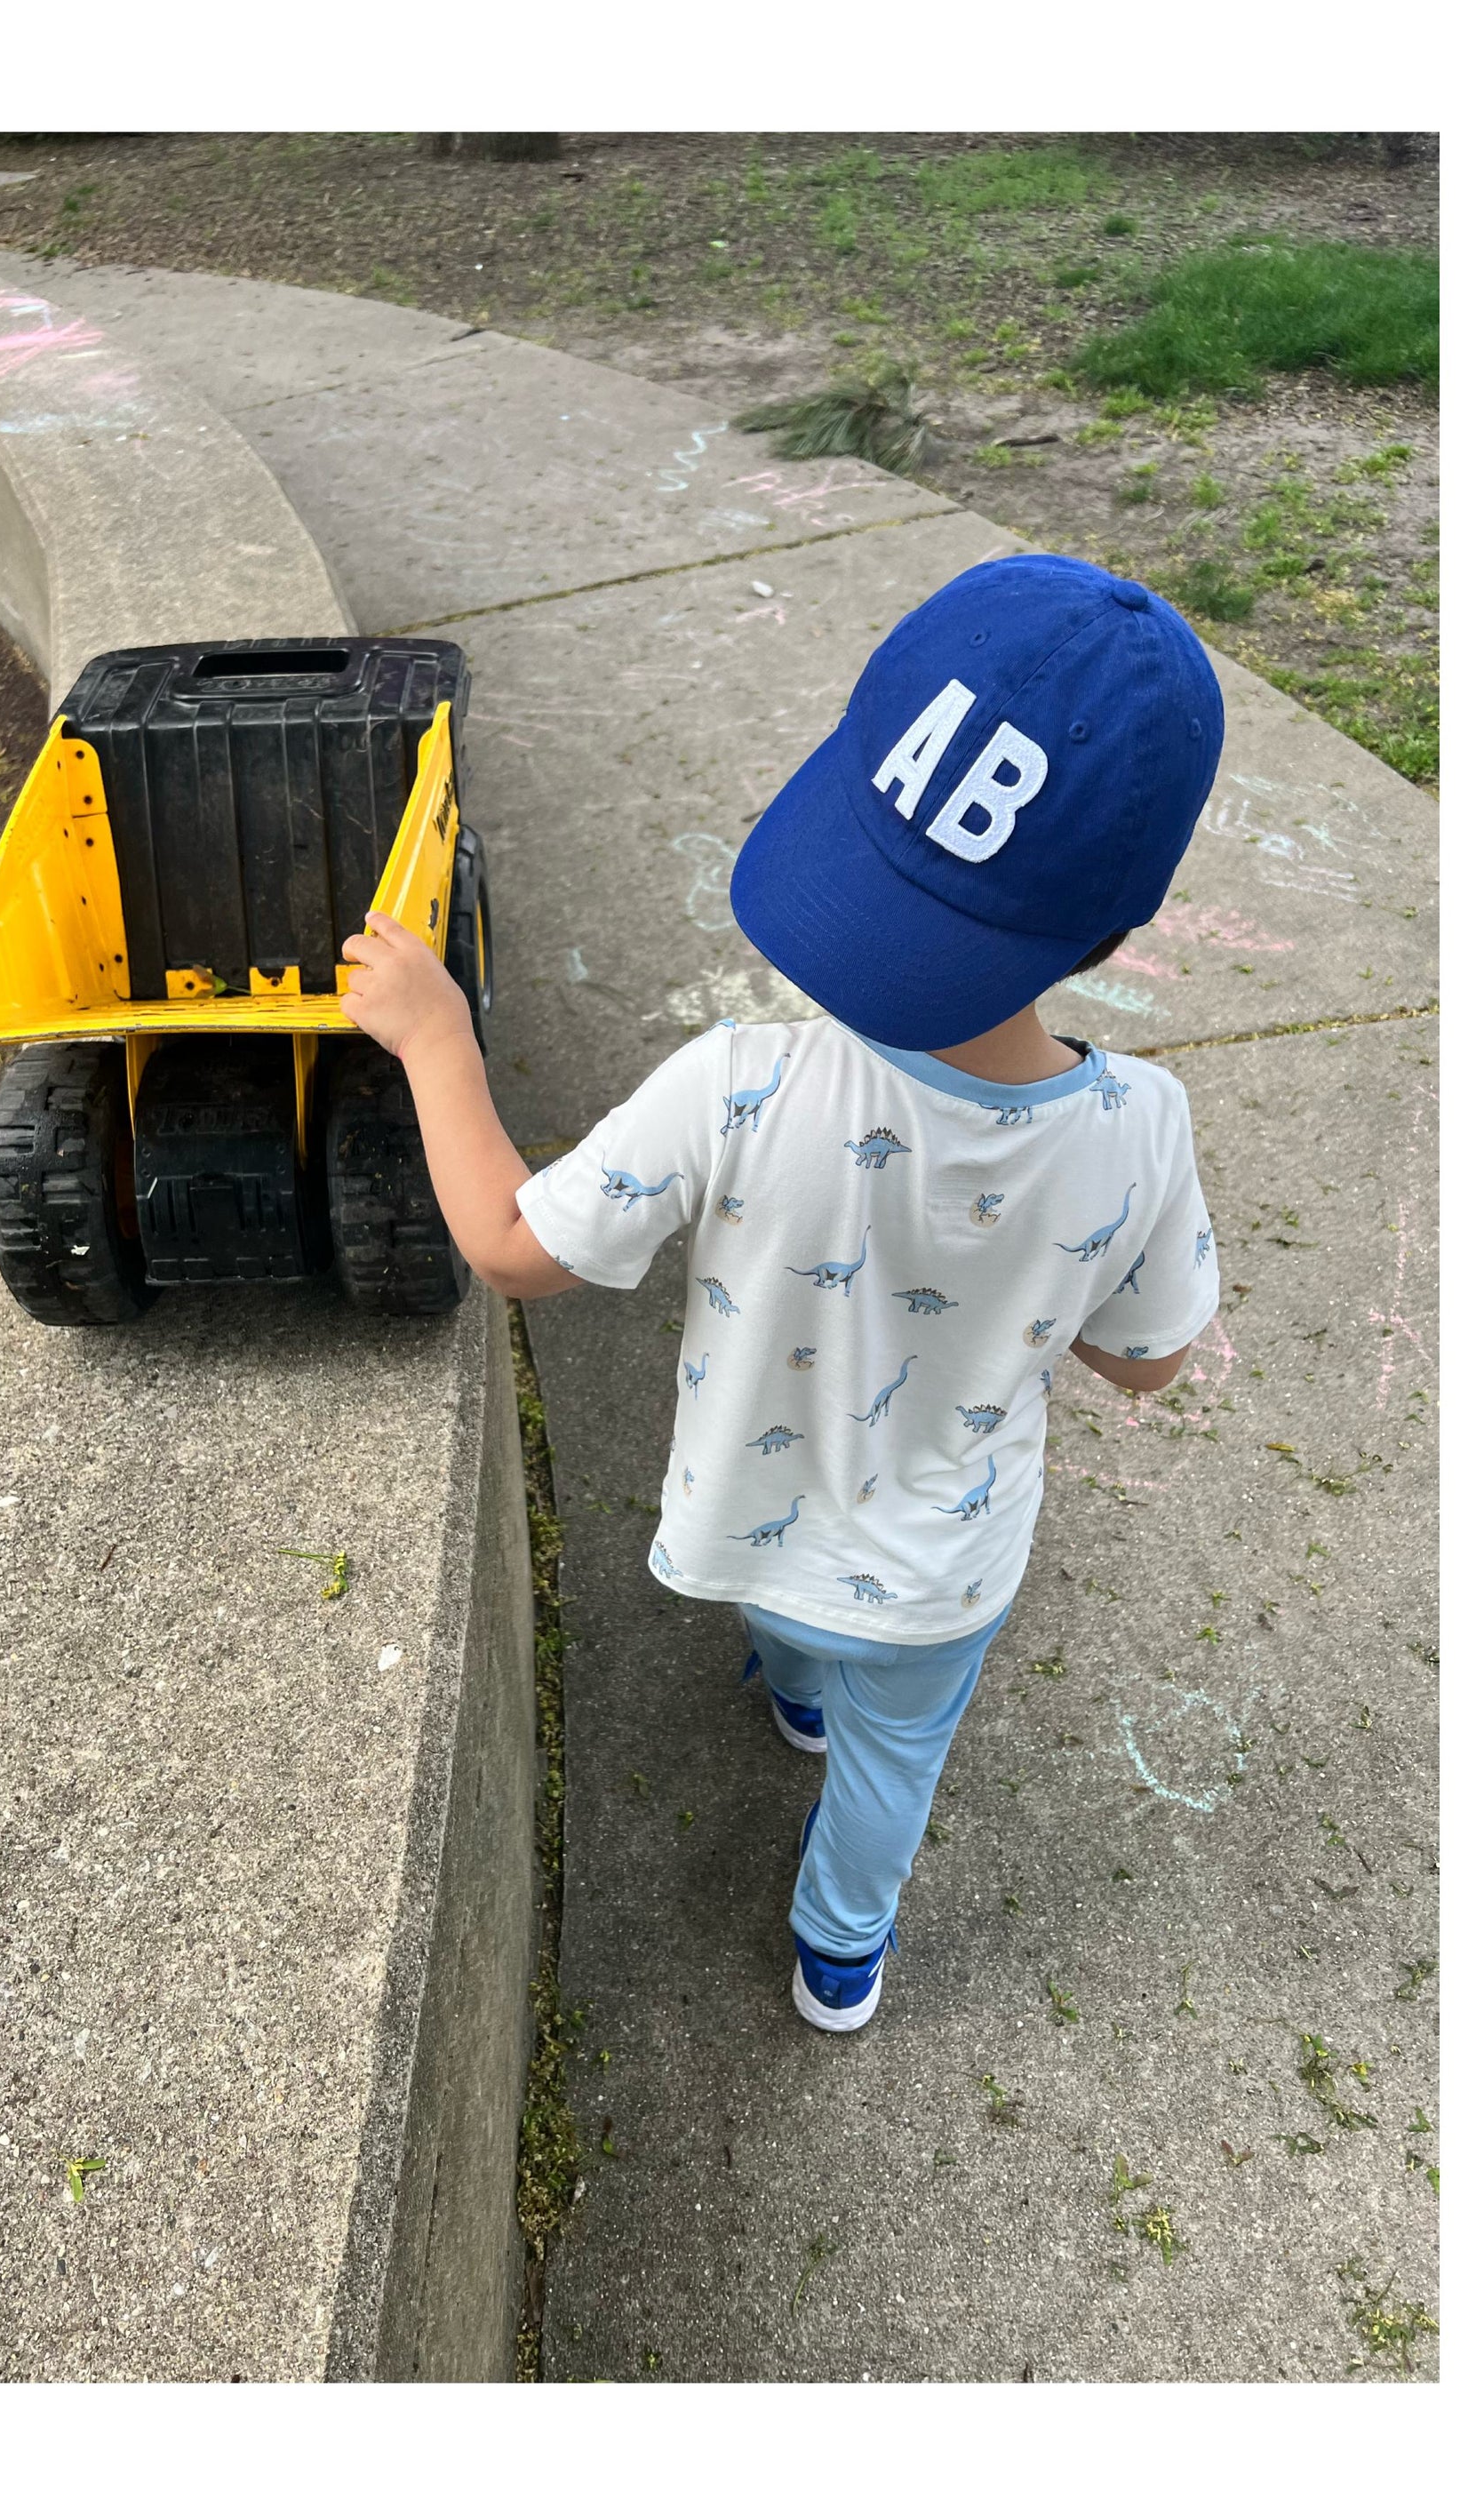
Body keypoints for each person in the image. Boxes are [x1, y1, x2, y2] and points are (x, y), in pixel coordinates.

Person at [340, 552, 1225, 2033]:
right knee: (897, 1763)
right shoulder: (1143, 1128)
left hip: (764, 1524)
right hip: (947, 1573)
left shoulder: (736, 1082)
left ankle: (793, 1689)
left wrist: (434, 1037)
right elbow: (1145, 1362)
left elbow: (506, 1244)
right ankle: (840, 1953)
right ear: (1115, 933)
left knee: (806, 1647)